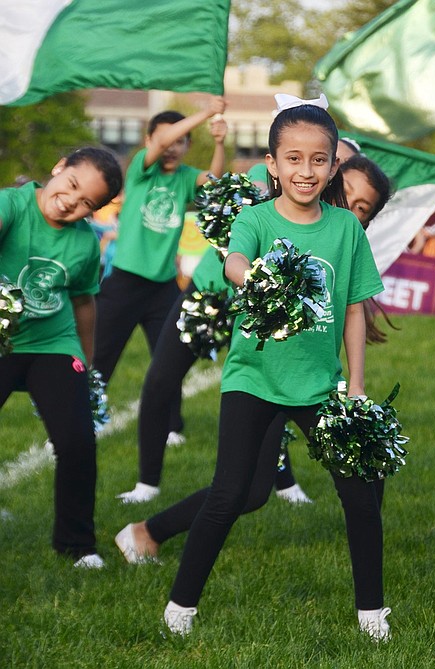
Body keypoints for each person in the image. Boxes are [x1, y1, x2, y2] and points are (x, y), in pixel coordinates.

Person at [119, 94, 391, 641]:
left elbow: (356, 310)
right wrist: (256, 278)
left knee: (362, 491)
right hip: (254, 380)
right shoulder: (254, 217)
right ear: (272, 164)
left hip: (321, 388)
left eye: (318, 159)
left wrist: (355, 387)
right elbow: (236, 258)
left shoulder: (345, 230)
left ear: (334, 164)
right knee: (231, 493)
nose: (305, 170)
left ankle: (372, 614)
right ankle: (181, 608)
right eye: (293, 158)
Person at [114, 154, 393, 505]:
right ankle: (147, 484)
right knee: (161, 380)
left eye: (360, 207)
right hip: (212, 293)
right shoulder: (282, 183)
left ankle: (283, 482)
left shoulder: (337, 230)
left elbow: (346, 298)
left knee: (268, 404)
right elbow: (251, 194)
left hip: (266, 318)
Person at [0, 147, 123, 568]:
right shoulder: (12, 205)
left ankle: (77, 545)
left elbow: (84, 302)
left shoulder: (84, 244)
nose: (72, 201)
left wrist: (85, 364)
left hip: (52, 343)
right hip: (3, 341)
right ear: (57, 169)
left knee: (76, 442)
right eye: (71, 185)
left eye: (87, 201)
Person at [92, 97, 227, 445]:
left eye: (180, 141)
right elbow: (162, 143)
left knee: (169, 360)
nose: (172, 147)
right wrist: (205, 113)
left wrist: (220, 142)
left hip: (163, 287)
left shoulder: (184, 178)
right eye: (166, 140)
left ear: (187, 146)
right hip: (123, 280)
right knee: (102, 355)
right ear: (151, 141)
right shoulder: (141, 167)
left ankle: (170, 426)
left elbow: (217, 184)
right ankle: (84, 418)